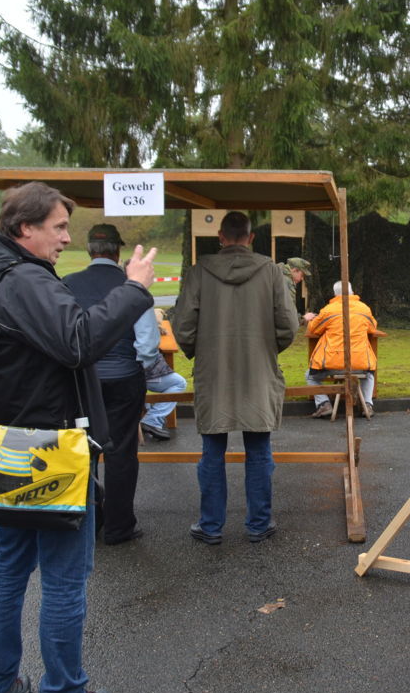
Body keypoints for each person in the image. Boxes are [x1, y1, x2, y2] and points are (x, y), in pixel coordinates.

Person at [0, 182, 156, 693]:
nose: (68, 237)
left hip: (6, 441)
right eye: (60, 227)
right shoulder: (22, 279)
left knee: (9, 566)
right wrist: (134, 290)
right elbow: (79, 339)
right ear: (25, 229)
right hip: (49, 449)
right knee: (64, 579)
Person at [173, 211, 297, 545]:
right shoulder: (272, 272)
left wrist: (201, 352)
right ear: (251, 237)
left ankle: (210, 526)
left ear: (221, 237)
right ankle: (258, 524)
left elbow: (183, 326)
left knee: (212, 450)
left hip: (214, 374)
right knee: (259, 450)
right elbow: (288, 324)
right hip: (259, 371)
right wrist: (266, 351)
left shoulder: (199, 271)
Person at [62, 224, 149, 545]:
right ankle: (119, 526)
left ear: (89, 251)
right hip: (125, 376)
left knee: (81, 451)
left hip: (82, 380)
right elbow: (148, 344)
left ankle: (84, 521)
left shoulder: (68, 284)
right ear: (118, 252)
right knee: (122, 452)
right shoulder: (131, 285)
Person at [304, 280, 379, 420]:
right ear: (352, 291)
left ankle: (324, 404)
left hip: (333, 363)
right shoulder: (364, 309)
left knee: (310, 376)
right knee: (369, 374)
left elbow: (313, 328)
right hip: (360, 363)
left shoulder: (328, 310)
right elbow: (372, 326)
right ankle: (367, 405)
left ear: (335, 294)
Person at [138, 308, 188, 441]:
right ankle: (152, 420)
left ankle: (149, 416)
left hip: (126, 371)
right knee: (179, 383)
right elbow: (155, 317)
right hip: (144, 372)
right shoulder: (143, 321)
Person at [278, 256, 317, 323]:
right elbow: (287, 314)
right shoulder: (287, 282)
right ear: (295, 270)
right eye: (302, 275)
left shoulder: (276, 276)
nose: (301, 279)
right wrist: (303, 318)